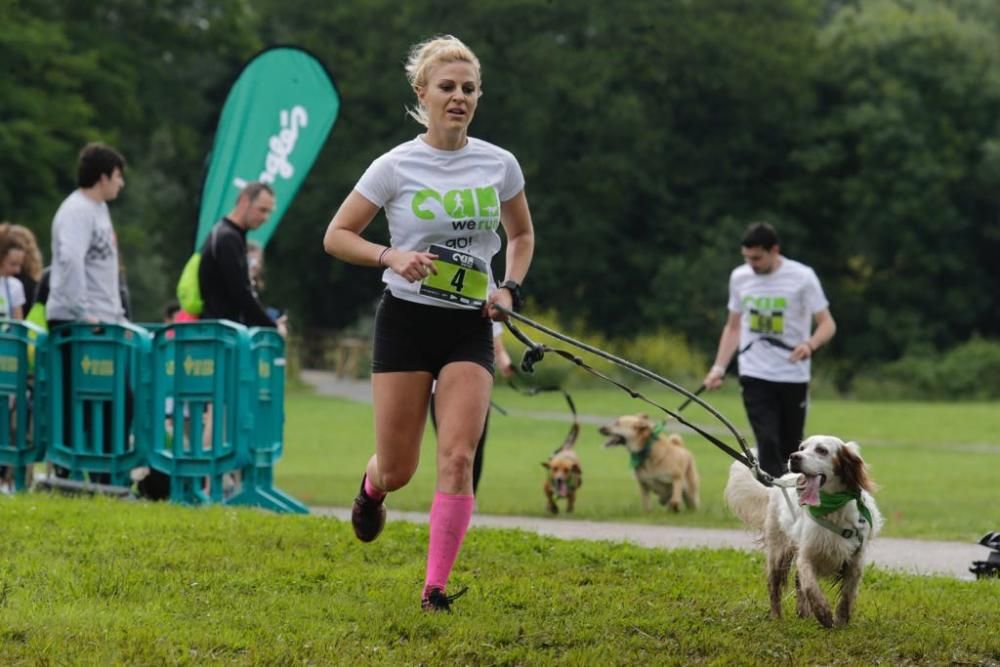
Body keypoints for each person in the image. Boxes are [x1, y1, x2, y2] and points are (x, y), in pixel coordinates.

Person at [323, 35, 534, 612]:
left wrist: (509, 289)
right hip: (406, 323)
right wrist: (390, 256)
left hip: (470, 324)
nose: (459, 97)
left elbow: (520, 236)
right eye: (447, 87)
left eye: (468, 88)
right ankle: (371, 491)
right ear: (423, 93)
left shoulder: (499, 164)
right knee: (399, 467)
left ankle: (434, 588)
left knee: (459, 456)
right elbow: (337, 236)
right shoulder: (394, 166)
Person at [702, 222, 836, 478]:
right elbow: (733, 327)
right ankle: (771, 497)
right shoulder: (739, 278)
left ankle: (792, 501)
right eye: (747, 258)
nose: (752, 263)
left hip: (792, 375)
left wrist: (810, 344)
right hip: (755, 372)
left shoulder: (803, 277)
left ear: (774, 250)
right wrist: (718, 368)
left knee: (790, 446)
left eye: (757, 257)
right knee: (767, 440)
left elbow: (827, 324)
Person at [429, 323, 515, 495]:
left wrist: (504, 360)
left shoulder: (484, 297)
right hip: (437, 388)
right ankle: (448, 492)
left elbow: (494, 332)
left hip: (475, 384)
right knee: (448, 449)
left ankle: (468, 496)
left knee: (472, 448)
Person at [197, 182, 286, 336]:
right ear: (244, 201)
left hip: (224, 333)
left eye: (269, 212)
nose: (266, 217)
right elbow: (241, 293)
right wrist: (272, 326)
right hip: (220, 336)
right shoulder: (227, 237)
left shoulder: (229, 234)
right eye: (262, 210)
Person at [0, 228, 27, 320]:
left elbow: (17, 328)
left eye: (20, 265)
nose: (18, 270)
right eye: (13, 264)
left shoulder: (15, 286)